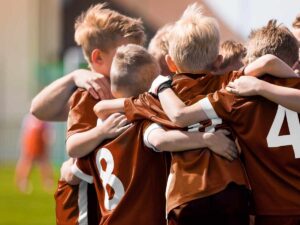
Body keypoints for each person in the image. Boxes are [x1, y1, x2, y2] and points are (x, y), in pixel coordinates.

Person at [153, 19, 300, 225]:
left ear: (249, 61)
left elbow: (181, 116)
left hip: (270, 210)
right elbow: (270, 62)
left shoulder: (236, 94)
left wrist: (160, 85)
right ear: (295, 62)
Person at [72, 43, 238, 225]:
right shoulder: (142, 122)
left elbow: (74, 173)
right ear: (150, 90)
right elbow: (160, 140)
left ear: (113, 88)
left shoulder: (99, 128)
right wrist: (208, 139)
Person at [15, 113, 54, 193]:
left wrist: (47, 145)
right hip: (31, 144)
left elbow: (47, 134)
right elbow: (25, 133)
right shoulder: (29, 118)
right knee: (28, 162)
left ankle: (47, 182)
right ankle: (23, 181)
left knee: (44, 163)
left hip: (41, 144)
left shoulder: (45, 120)